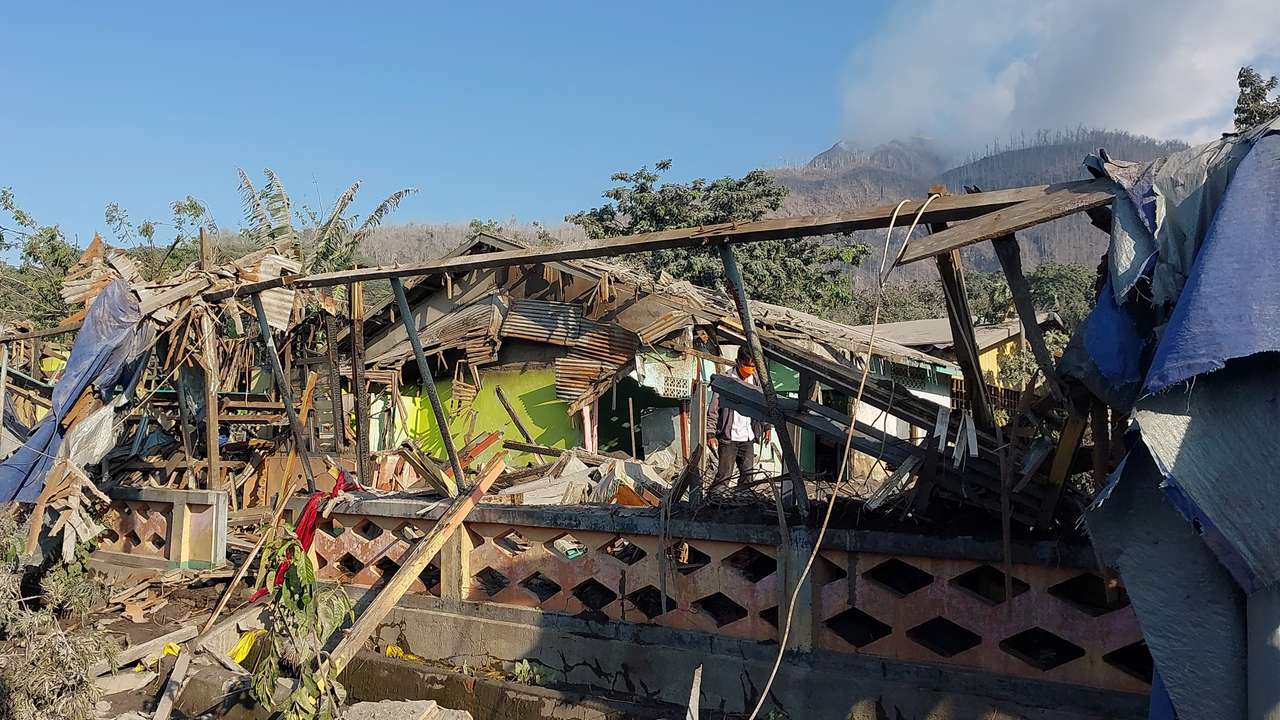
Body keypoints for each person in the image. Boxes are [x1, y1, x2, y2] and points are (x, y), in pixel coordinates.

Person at [705, 347, 771, 485]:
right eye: (746, 366)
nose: (749, 369)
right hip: (729, 438)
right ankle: (716, 502)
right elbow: (713, 409)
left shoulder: (757, 380)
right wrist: (710, 434)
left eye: (752, 366)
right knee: (724, 476)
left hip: (748, 437)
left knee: (748, 477)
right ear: (737, 362)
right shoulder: (726, 380)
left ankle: (743, 503)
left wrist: (766, 426)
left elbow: (764, 405)